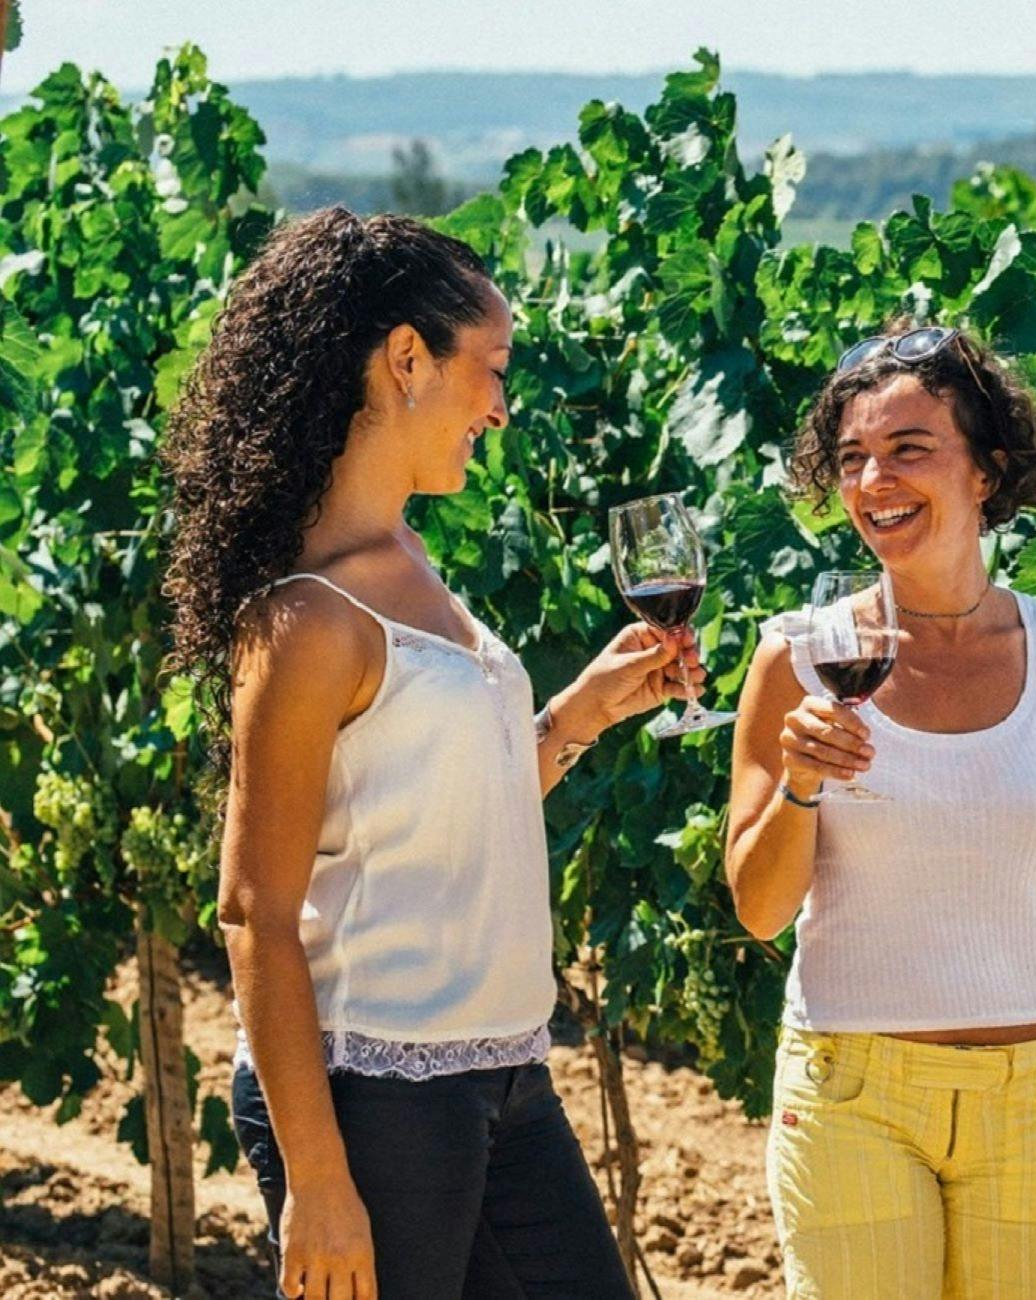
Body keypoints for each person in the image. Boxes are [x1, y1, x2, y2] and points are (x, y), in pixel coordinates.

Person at [163, 206, 697, 1299]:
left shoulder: (405, 555)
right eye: (489, 368)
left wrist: (578, 718)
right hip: (374, 1092)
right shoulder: (309, 618)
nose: (500, 409)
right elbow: (254, 908)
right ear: (406, 358)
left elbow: (442, 813)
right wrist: (317, 1179)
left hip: (502, 1071)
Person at [725, 323, 1036, 1299]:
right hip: (852, 1093)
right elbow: (759, 907)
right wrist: (801, 783)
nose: (873, 482)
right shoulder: (797, 657)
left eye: (908, 450)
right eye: (852, 458)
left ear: (987, 468)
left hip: (1034, 1095)